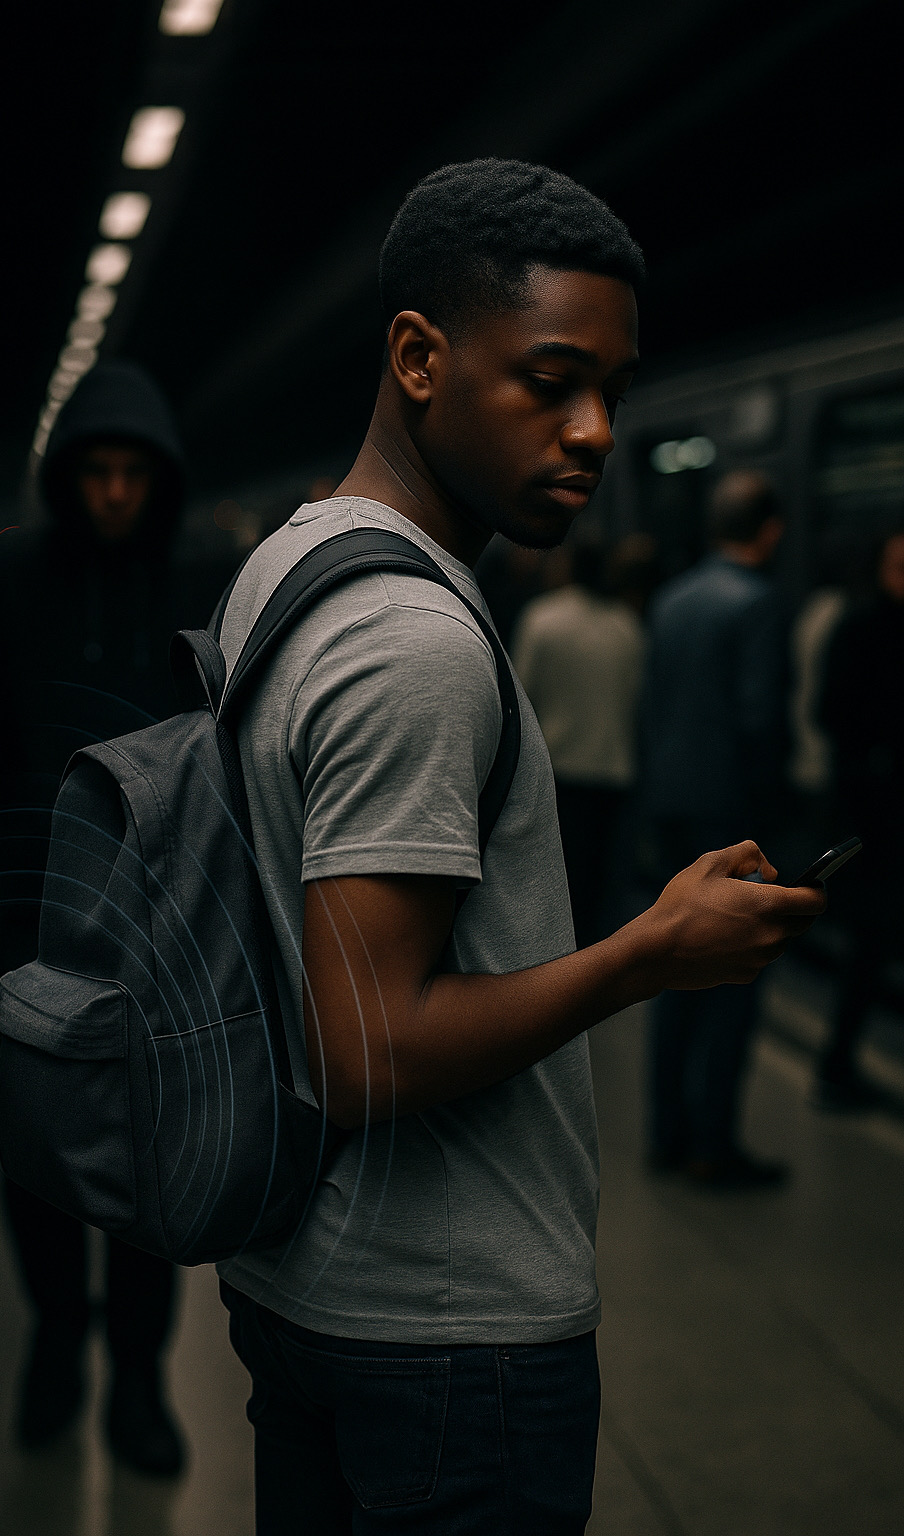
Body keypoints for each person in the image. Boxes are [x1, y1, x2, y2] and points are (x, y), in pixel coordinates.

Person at [210, 159, 823, 1533]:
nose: (597, 430)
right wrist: (647, 955)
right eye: (551, 382)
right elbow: (365, 1050)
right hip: (447, 1338)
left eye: (613, 387)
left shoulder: (294, 561)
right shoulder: (415, 640)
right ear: (420, 357)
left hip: (313, 1284)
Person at [0, 360, 233, 1475]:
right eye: (93, 472)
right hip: (33, 915)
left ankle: (141, 1376)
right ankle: (58, 1335)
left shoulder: (199, 575)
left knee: (150, 1154)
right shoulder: (8, 581)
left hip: (163, 925)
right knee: (39, 1147)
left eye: (130, 472)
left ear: (160, 478)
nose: (112, 492)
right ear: (68, 478)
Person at [640, 470, 791, 1188]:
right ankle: (714, 1145)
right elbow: (760, 720)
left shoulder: (673, 599)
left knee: (675, 966)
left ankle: (666, 1131)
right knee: (734, 973)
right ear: (769, 530)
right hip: (731, 811)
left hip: (670, 802)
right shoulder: (758, 604)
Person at [513, 536, 645, 946]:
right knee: (598, 882)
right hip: (611, 772)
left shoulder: (542, 618)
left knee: (556, 880)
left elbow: (520, 694)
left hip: (557, 769)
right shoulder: (627, 625)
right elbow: (636, 700)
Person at [815, 527, 904, 1109]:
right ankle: (837, 1068)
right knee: (871, 943)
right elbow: (829, 711)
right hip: (877, 815)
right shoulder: (859, 627)